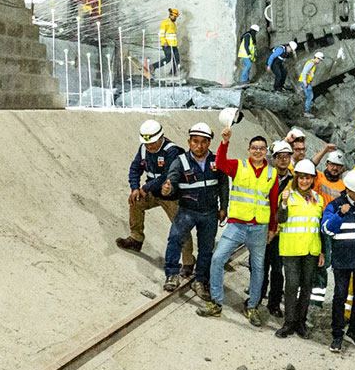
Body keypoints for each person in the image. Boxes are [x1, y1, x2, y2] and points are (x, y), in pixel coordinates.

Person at [196, 128, 279, 325]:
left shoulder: (271, 173)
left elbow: (274, 203)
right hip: (237, 225)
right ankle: (216, 303)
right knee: (217, 259)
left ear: (266, 151)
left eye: (261, 148)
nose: (258, 151)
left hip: (259, 227)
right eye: (254, 148)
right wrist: (224, 142)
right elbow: (221, 164)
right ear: (249, 150)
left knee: (258, 268)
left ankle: (252, 307)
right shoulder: (239, 166)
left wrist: (272, 228)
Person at [116, 120, 195, 277]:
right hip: (153, 192)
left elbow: (167, 175)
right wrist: (135, 189)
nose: (150, 147)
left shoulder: (173, 152)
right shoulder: (144, 149)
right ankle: (136, 238)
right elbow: (135, 169)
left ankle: (188, 262)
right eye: (147, 144)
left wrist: (145, 188)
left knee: (181, 228)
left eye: (152, 144)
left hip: (172, 196)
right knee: (135, 202)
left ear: (161, 137)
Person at [159, 123, 228, 299]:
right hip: (187, 211)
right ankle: (172, 274)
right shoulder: (180, 162)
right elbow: (172, 181)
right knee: (175, 239)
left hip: (210, 213)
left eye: (204, 142)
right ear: (189, 142)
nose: (199, 145)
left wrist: (223, 207)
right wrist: (169, 188)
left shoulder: (216, 162)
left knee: (206, 248)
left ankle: (200, 280)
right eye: (195, 141)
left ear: (209, 143)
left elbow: (223, 185)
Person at [322, 169, 355, 352]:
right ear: (349, 191)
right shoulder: (336, 205)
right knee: (340, 296)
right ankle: (337, 334)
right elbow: (328, 230)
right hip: (342, 260)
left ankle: (353, 331)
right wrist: (340, 214)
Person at [275, 158, 325, 339]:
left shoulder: (317, 199)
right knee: (291, 285)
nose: (305, 181)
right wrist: (283, 204)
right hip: (291, 249)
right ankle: (288, 322)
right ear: (297, 178)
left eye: (308, 178)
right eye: (301, 178)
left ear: (313, 179)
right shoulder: (288, 195)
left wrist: (322, 251)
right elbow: (279, 219)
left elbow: (319, 226)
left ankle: (300, 322)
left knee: (306, 287)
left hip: (311, 250)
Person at [260, 141, 293, 318]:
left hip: (282, 234)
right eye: (279, 157)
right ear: (274, 159)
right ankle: (257, 299)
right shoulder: (267, 176)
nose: (283, 160)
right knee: (260, 267)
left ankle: (274, 304)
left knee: (278, 271)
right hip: (263, 230)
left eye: (286, 156)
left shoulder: (294, 182)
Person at [311, 150, 347, 309]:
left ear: (342, 169)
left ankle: (316, 301)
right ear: (326, 164)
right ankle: (308, 299)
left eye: (338, 166)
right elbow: (311, 165)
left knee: (324, 264)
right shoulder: (318, 177)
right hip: (316, 223)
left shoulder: (343, 186)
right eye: (332, 164)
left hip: (334, 227)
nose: (334, 168)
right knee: (315, 263)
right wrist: (325, 149)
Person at [147, 8, 180, 78]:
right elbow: (161, 34)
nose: (175, 18)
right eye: (174, 16)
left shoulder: (173, 24)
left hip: (173, 45)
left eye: (176, 17)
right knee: (168, 59)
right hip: (167, 45)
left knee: (176, 60)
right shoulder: (165, 22)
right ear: (170, 15)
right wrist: (164, 42)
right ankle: (153, 66)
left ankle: (172, 74)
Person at [298, 51, 325, 116]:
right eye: (320, 60)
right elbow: (304, 72)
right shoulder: (311, 63)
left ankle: (304, 109)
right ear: (317, 58)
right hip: (305, 82)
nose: (320, 62)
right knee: (310, 96)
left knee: (308, 95)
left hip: (305, 81)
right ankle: (306, 111)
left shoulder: (311, 63)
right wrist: (305, 82)